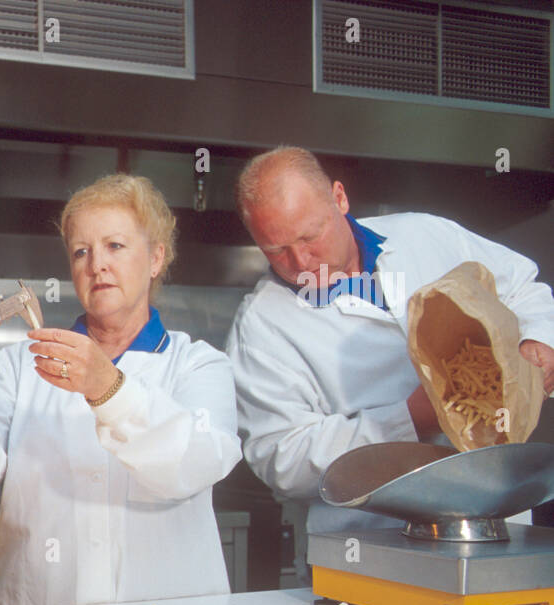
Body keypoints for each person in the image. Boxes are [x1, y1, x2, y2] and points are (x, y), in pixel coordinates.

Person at [0, 174, 242, 605]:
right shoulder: (22, 365)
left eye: (115, 246)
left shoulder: (199, 365)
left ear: (157, 257)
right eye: (81, 251)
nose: (96, 265)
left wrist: (110, 390)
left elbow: (196, 464)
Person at [226, 146, 554, 541]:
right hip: (372, 541)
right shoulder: (261, 326)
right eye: (276, 250)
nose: (301, 262)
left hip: (500, 517)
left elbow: (521, 287)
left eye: (310, 236)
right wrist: (410, 419)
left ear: (339, 198)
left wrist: (540, 340)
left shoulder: (423, 234)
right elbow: (283, 459)